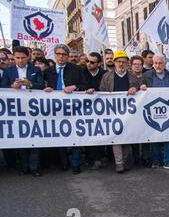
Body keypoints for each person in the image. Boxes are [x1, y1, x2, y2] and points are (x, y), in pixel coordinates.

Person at [99, 50, 146, 174]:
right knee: (116, 138)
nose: (121, 64)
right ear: (114, 63)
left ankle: (124, 160)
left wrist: (135, 88)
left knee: (126, 137)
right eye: (118, 61)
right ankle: (119, 163)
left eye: (123, 62)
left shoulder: (132, 76)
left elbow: (141, 88)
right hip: (113, 112)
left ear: (127, 64)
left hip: (128, 112)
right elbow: (101, 91)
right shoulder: (107, 77)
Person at [43, 44, 87, 174]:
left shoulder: (77, 69)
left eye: (64, 54)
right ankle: (63, 162)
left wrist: (74, 87)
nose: (61, 57)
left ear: (67, 56)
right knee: (60, 135)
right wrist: (45, 90)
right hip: (55, 108)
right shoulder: (47, 71)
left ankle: (76, 163)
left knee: (75, 135)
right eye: (58, 54)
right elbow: (40, 87)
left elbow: (84, 85)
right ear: (55, 55)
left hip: (73, 108)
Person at [1, 47, 45, 177]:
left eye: (23, 57)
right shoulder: (8, 71)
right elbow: (2, 87)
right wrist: (12, 87)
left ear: (28, 57)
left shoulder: (35, 70)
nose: (20, 60)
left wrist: (30, 84)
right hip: (16, 111)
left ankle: (34, 167)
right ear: (13, 58)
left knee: (34, 139)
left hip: (33, 110)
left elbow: (41, 85)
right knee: (21, 139)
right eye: (17, 58)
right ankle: (25, 166)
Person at [143, 54, 169, 170]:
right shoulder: (147, 75)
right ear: (153, 64)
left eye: (160, 63)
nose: (158, 65)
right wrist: (141, 87)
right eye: (156, 63)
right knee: (155, 135)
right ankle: (156, 160)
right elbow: (140, 88)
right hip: (153, 110)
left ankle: (168, 161)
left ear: (164, 64)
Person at [84, 52, 107, 170]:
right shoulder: (82, 72)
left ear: (98, 64)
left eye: (92, 62)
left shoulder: (105, 74)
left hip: (102, 110)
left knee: (101, 132)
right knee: (89, 132)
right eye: (87, 61)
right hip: (85, 109)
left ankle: (102, 156)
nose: (88, 64)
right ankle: (92, 158)